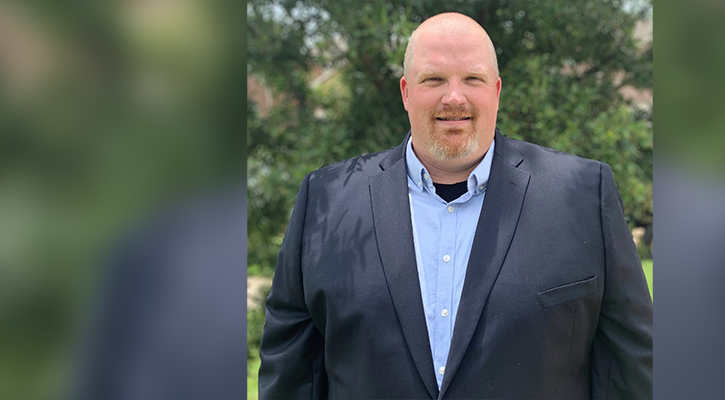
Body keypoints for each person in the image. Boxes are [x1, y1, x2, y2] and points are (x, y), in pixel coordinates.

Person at [258, 12, 652, 400]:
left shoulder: (582, 196)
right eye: (434, 79)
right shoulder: (326, 200)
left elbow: (630, 365)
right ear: (406, 92)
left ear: (496, 91)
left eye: (472, 79)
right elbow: (292, 370)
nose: (454, 97)